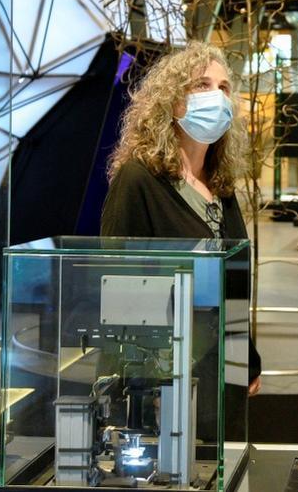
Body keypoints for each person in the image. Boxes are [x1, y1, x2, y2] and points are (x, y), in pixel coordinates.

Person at [100, 44, 262, 396]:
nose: (216, 97)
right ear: (172, 102)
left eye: (223, 88)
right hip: (161, 381)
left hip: (220, 373)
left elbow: (234, 285)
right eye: (202, 85)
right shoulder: (139, 180)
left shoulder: (221, 186)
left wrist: (246, 359)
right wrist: (135, 384)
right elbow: (120, 290)